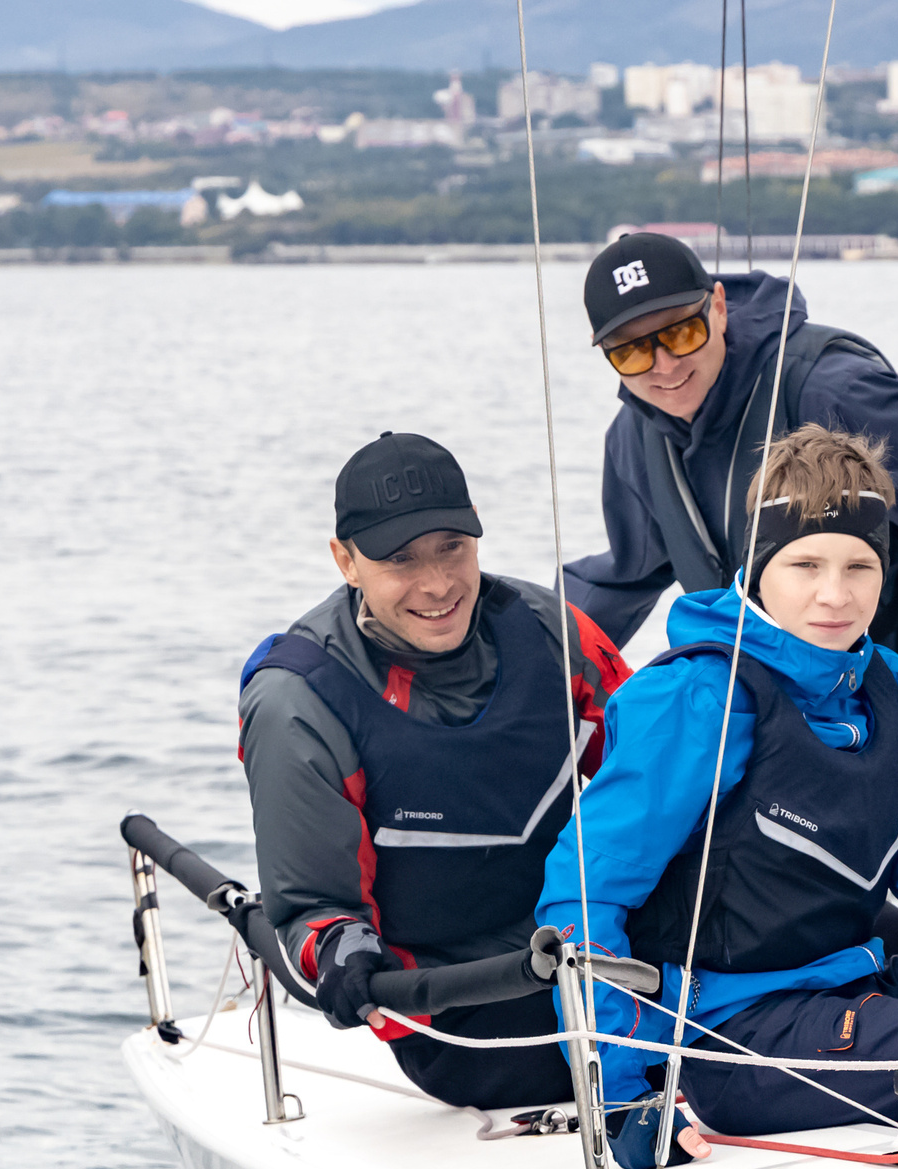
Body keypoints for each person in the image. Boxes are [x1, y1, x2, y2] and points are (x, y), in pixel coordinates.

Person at [538, 426, 898, 1165]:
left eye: (859, 565)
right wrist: (618, 1094)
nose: (834, 595)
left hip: (848, 989)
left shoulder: (895, 691)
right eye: (804, 563)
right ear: (759, 564)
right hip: (726, 1039)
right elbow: (583, 895)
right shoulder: (699, 697)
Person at [564, 229, 898, 917]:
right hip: (828, 718)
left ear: (719, 308)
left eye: (683, 332)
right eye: (632, 349)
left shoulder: (830, 386)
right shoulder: (635, 440)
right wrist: (519, 645)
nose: (663, 365)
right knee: (884, 929)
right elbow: (621, 574)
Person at [238, 431, 629, 1108]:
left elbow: (662, 777)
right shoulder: (296, 703)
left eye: (453, 548)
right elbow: (316, 909)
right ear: (346, 561)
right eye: (400, 560)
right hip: (460, 1015)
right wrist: (339, 949)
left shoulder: (549, 628)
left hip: (601, 957)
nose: (438, 583)